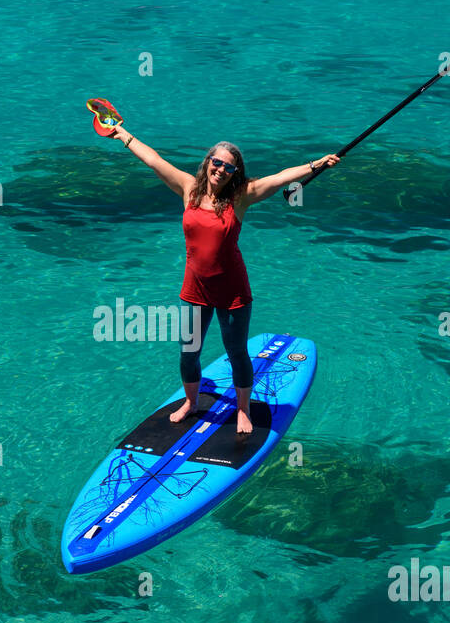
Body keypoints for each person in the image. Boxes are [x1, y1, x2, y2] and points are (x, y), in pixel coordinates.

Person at [110, 122, 340, 435]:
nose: (220, 169)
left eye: (228, 167)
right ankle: (191, 402)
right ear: (207, 163)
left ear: (235, 172)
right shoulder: (188, 188)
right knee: (188, 351)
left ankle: (243, 410)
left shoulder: (240, 198)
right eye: (216, 163)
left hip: (232, 291)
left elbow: (279, 178)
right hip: (194, 289)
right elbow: (154, 160)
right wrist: (125, 136)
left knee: (236, 352)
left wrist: (314, 164)